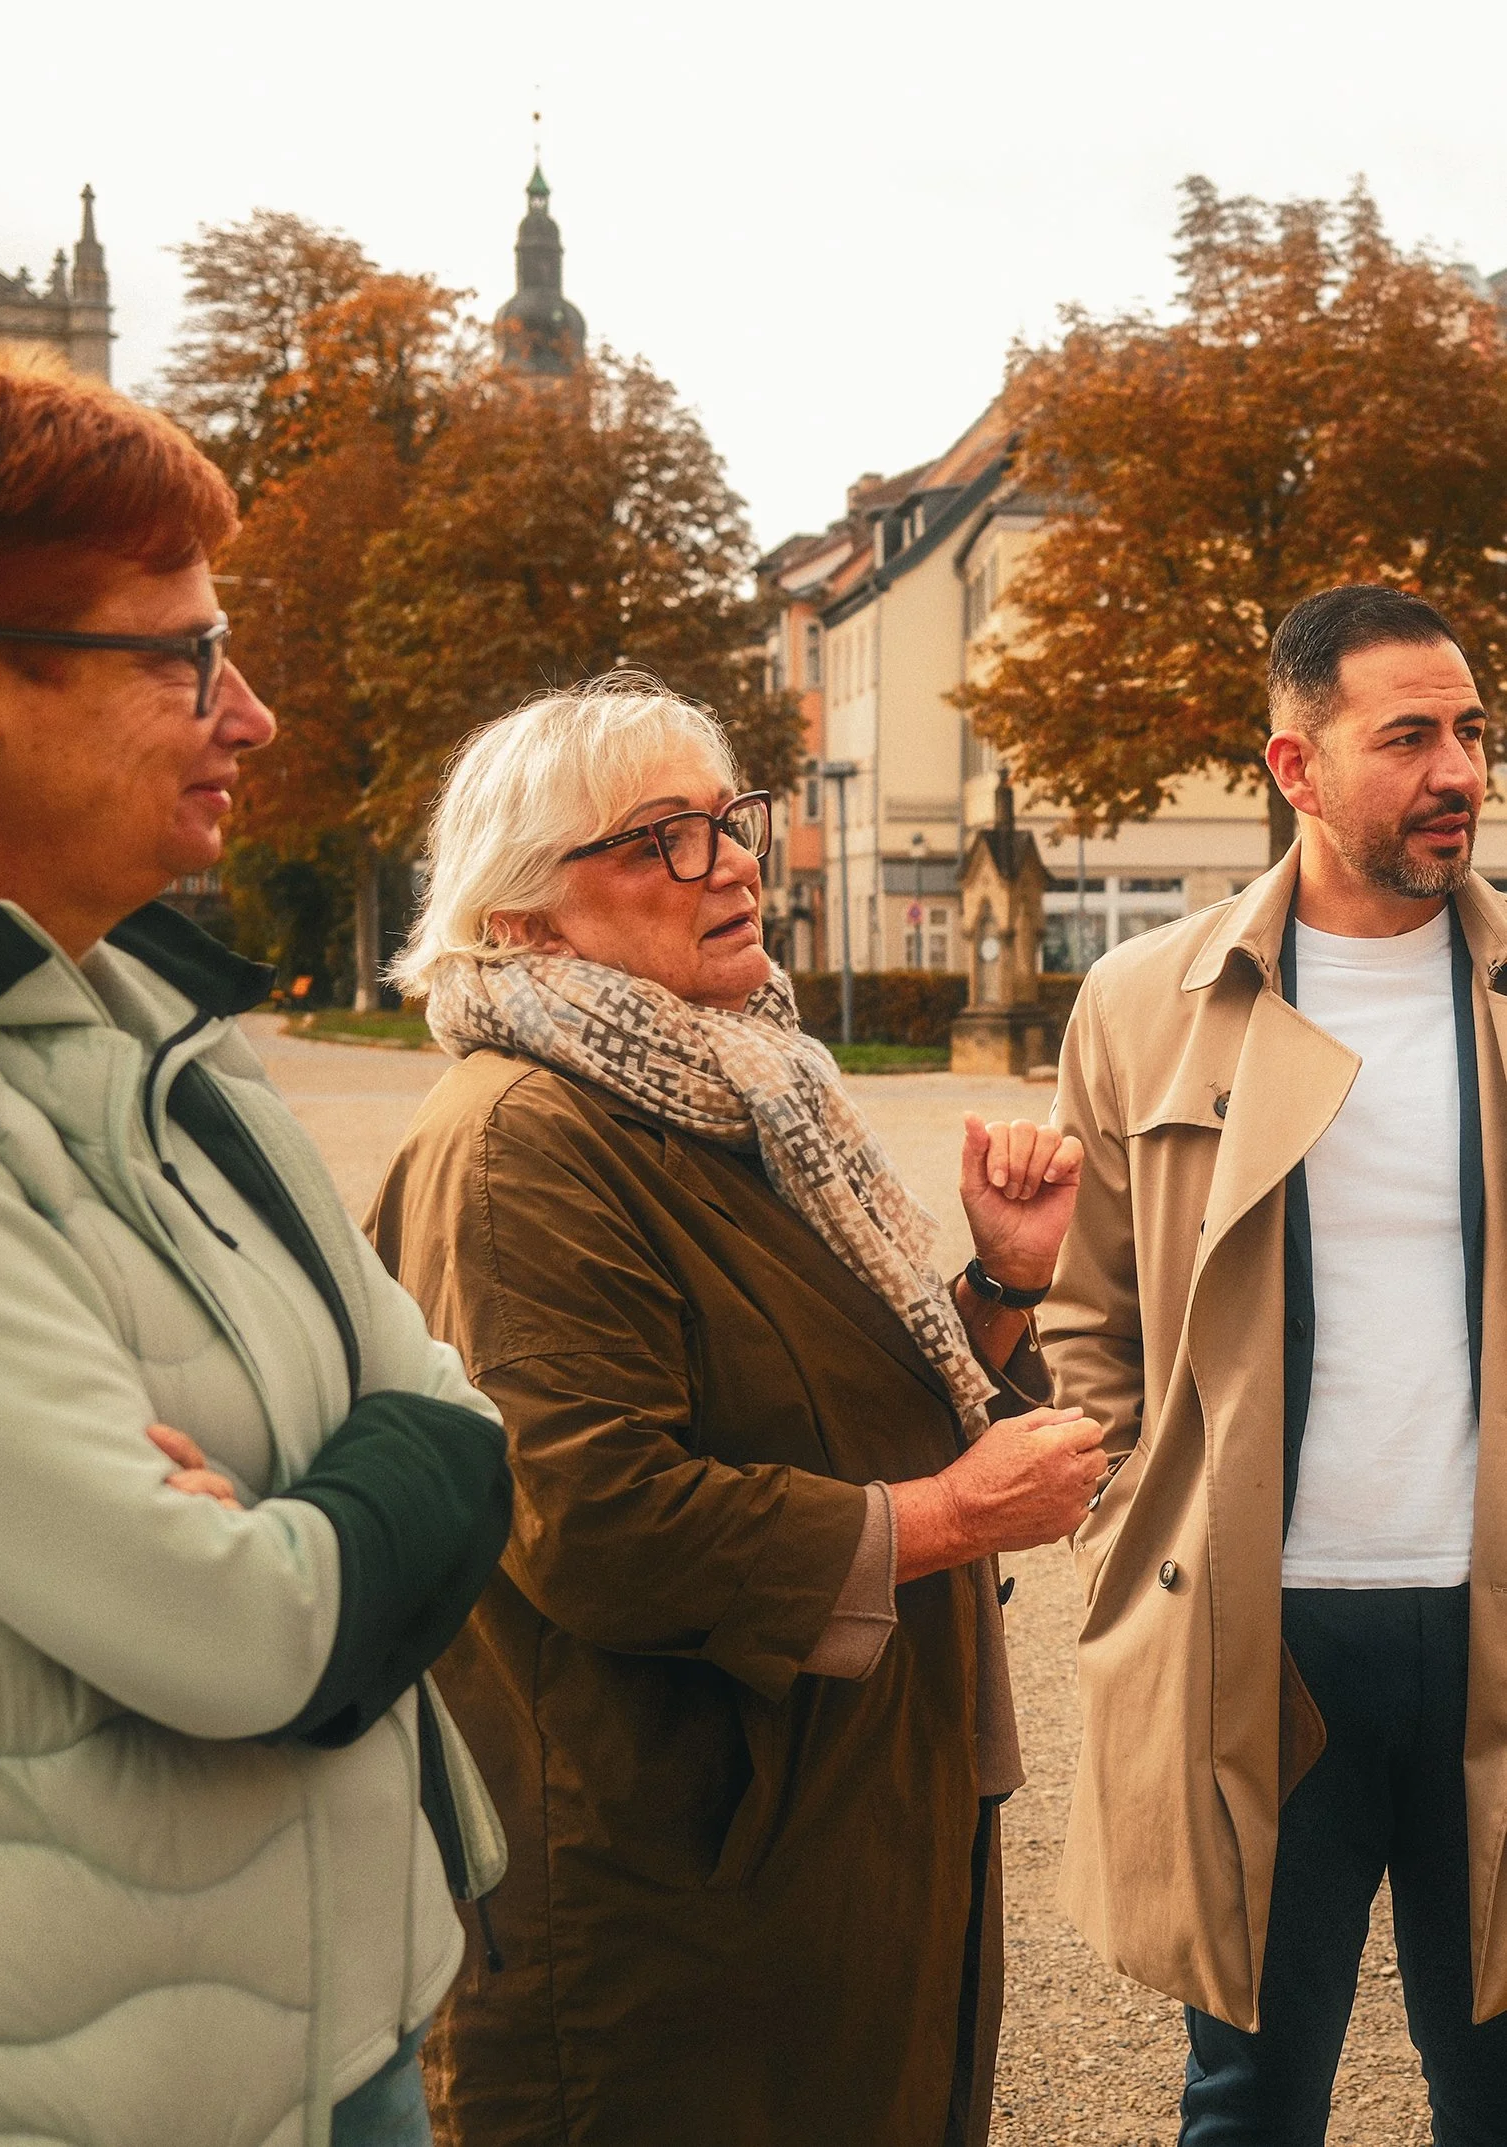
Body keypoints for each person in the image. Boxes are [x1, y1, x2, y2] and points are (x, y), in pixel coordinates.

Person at [0, 345, 513, 2146]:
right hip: (102, 2088)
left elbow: (458, 1408)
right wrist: (351, 1493)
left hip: (339, 2022)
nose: (245, 717)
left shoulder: (155, 1017)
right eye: (184, 657)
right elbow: (236, 1634)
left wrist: (331, 1491)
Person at [364, 676, 1107, 2147]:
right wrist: (952, 1516)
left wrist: (999, 1291)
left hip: (820, 1842)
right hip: (667, 1893)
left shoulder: (745, 1090)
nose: (730, 866)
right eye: (658, 841)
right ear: (523, 918)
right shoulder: (524, 1137)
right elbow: (592, 1517)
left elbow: (819, 1402)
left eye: (728, 820)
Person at [1046, 584, 1507, 2143]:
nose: (1456, 769)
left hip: (1496, 1630)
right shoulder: (1140, 1003)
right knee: (1249, 2095)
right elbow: (1088, 1317)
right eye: (1408, 737)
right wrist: (1133, 1522)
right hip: (1259, 1634)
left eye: (1469, 730)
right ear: (1295, 768)